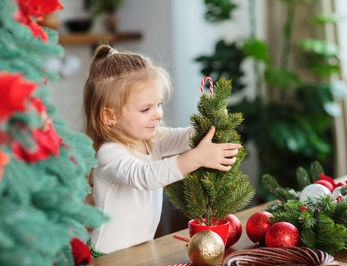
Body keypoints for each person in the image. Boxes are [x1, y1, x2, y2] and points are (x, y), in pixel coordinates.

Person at [83, 45, 241, 255]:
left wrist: (210, 124)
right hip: (107, 258)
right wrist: (195, 158)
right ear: (110, 116)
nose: (157, 114)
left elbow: (183, 137)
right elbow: (145, 176)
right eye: (145, 109)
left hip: (140, 252)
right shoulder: (109, 153)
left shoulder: (152, 139)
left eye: (158, 104)